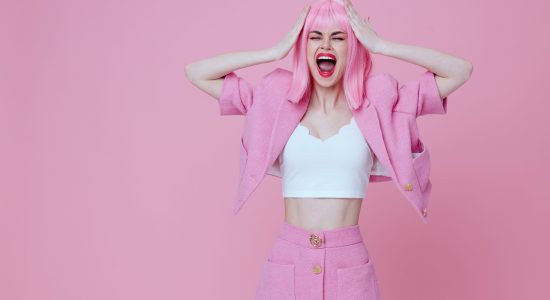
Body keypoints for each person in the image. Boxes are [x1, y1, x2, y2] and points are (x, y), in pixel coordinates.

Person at [185, 0, 472, 299]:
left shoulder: (380, 103)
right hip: (287, 263)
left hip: (349, 266)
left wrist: (382, 45)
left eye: (338, 37)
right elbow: (196, 72)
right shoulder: (273, 101)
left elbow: (460, 71)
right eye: (314, 36)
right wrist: (273, 52)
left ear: (354, 46)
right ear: (303, 47)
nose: (326, 45)